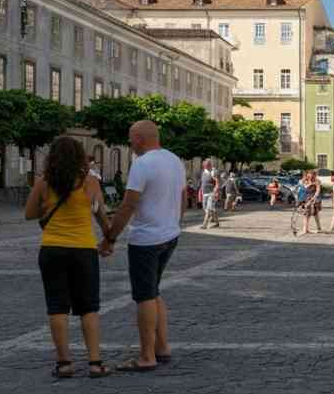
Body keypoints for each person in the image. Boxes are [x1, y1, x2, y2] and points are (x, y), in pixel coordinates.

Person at [100, 120, 185, 372]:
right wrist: (172, 222)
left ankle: (147, 356)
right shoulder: (174, 159)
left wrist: (110, 238)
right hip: (169, 235)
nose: (129, 143)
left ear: (139, 138)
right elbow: (182, 199)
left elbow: (128, 205)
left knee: (145, 296)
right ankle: (162, 347)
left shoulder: (142, 164)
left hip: (146, 239)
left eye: (130, 138)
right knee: (154, 291)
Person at [24, 136, 112, 378]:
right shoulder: (90, 182)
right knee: (88, 307)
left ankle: (64, 364)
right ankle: (95, 363)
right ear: (79, 157)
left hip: (52, 249)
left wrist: (49, 207)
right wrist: (109, 239)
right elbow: (101, 215)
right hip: (83, 250)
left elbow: (29, 213)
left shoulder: (44, 182)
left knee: (57, 307)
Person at [300, 171, 323, 235]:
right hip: (306, 199)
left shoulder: (317, 181)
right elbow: (302, 189)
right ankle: (306, 229)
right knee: (306, 214)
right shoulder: (305, 181)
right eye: (308, 174)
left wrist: (313, 199)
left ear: (314, 175)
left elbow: (318, 191)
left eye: (311, 175)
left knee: (314, 214)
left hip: (314, 200)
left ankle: (318, 228)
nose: (310, 176)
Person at [199, 160, 219, 230]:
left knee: (208, 209)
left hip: (211, 193)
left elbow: (217, 182)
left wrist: (216, 190)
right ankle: (216, 222)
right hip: (204, 193)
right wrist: (200, 191)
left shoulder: (213, 172)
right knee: (205, 208)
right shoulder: (203, 172)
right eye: (205, 165)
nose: (206, 166)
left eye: (207, 164)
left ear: (210, 165)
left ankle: (204, 225)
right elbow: (202, 183)